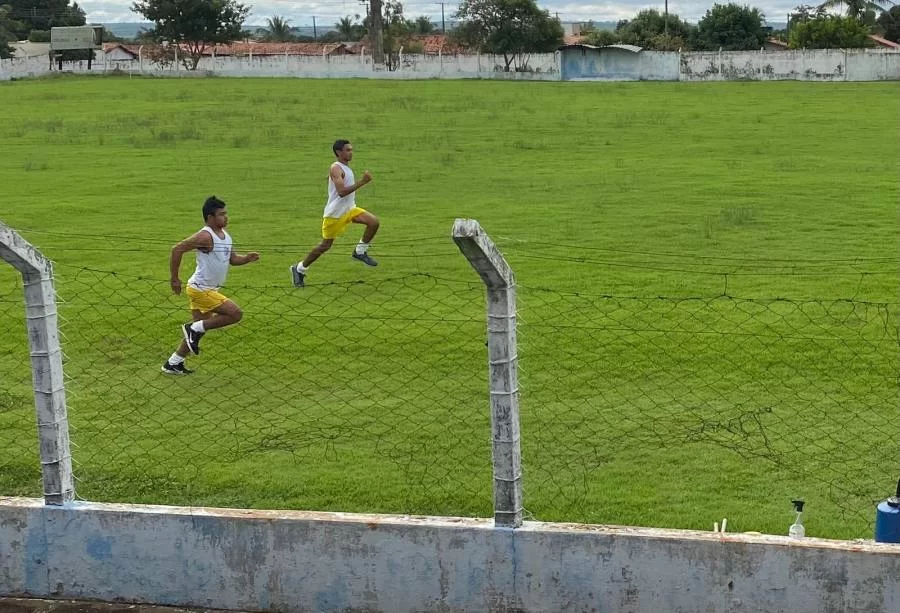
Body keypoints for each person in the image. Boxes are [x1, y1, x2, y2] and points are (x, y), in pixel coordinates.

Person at [161, 196, 259, 375]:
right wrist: (174, 278)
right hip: (200, 289)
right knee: (235, 314)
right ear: (210, 217)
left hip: (209, 289)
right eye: (222, 214)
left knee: (197, 332)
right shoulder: (205, 236)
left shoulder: (226, 236)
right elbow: (177, 249)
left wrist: (246, 259)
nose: (226, 217)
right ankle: (193, 328)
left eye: (226, 213)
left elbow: (232, 260)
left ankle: (173, 363)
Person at [291, 139, 379, 288]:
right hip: (334, 214)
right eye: (348, 150)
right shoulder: (336, 168)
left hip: (350, 209)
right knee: (325, 246)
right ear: (339, 152)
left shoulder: (346, 167)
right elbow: (342, 192)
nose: (351, 152)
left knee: (373, 222)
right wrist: (362, 182)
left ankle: (360, 251)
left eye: (351, 149)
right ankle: (299, 268)